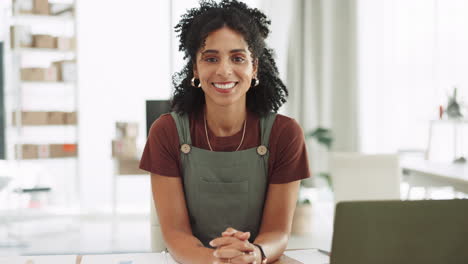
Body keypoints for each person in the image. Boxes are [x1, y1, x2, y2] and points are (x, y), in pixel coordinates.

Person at [139, 1, 310, 263]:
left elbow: (277, 231)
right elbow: (175, 233)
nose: (224, 70)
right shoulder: (167, 132)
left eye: (238, 58)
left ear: (254, 68)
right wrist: (216, 259)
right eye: (211, 58)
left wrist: (254, 253)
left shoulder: (285, 134)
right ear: (195, 69)